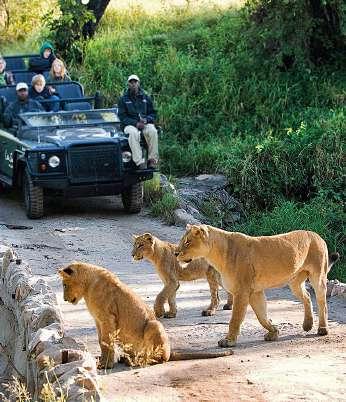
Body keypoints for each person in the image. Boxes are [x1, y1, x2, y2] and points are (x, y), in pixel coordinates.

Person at [118, 74, 158, 169]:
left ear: (138, 83)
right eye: (131, 82)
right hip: (130, 125)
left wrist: (147, 119)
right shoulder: (123, 99)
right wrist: (135, 123)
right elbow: (122, 117)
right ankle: (139, 162)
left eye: (135, 82)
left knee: (153, 131)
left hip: (144, 123)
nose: (133, 84)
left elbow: (153, 113)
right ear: (128, 84)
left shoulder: (146, 98)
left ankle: (152, 160)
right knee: (133, 133)